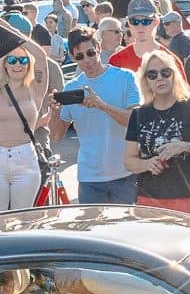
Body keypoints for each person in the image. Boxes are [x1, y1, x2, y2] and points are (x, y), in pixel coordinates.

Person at [123, 55, 190, 215]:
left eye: (165, 72)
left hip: (189, 198)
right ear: (145, 80)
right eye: (152, 75)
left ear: (175, 74)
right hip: (149, 199)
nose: (159, 78)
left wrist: (187, 147)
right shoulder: (139, 114)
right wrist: (148, 164)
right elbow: (128, 160)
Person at [57, 28, 143, 206]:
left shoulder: (125, 77)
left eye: (90, 53)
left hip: (124, 174)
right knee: (92, 232)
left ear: (99, 48)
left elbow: (135, 122)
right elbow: (57, 136)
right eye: (79, 56)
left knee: (123, 231)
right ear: (73, 58)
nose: (87, 60)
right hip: (90, 179)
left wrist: (102, 105)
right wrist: (53, 109)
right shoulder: (72, 87)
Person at [0, 49, 50, 213]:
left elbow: (41, 57)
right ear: (5, 63)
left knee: (22, 220)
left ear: (29, 63)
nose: (18, 65)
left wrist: (13, 33)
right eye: (12, 60)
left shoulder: (34, 88)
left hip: (25, 158)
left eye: (23, 60)